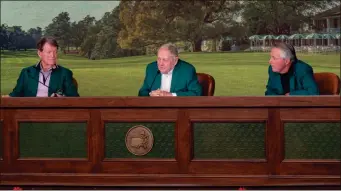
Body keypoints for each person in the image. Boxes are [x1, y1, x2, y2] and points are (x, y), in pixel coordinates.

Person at [5, 36, 79, 97]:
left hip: (55, 112)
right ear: (40, 53)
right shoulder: (26, 72)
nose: (53, 56)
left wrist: (61, 97)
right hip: (30, 112)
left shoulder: (65, 73)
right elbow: (15, 95)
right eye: (49, 52)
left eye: (55, 52)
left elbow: (75, 99)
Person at [138, 43, 202, 96]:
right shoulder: (151, 68)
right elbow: (142, 92)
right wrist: (150, 94)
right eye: (159, 59)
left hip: (178, 109)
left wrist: (171, 95)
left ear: (175, 60)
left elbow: (196, 93)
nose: (160, 64)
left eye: (165, 60)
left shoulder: (187, 70)